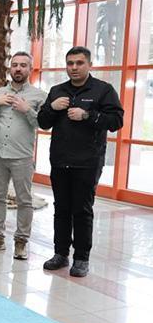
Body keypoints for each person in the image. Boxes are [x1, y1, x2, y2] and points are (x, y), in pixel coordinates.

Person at [38, 46, 123, 277]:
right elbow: (43, 122)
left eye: (79, 63)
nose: (74, 67)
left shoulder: (103, 90)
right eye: (70, 63)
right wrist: (52, 107)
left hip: (88, 161)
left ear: (89, 65)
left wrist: (87, 115)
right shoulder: (57, 90)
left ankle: (81, 258)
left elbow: (116, 121)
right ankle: (60, 254)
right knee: (61, 209)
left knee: (82, 210)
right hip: (60, 160)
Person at [0, 52, 47, 259]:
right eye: (15, 65)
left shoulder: (39, 95)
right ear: (10, 68)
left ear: (30, 69)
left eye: (23, 65)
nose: (18, 68)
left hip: (22, 157)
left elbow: (42, 124)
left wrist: (28, 110)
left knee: (24, 200)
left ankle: (21, 242)